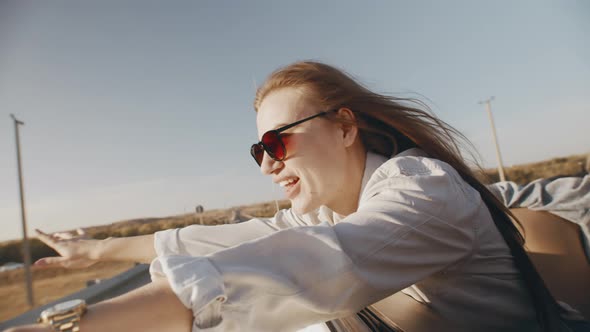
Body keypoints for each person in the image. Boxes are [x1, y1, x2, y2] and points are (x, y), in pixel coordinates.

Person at [6, 61, 587, 332]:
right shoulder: (335, 209)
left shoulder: (422, 193)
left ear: (344, 126)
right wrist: (96, 253)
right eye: (257, 151)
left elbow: (317, 264)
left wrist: (72, 325)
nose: (268, 164)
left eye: (276, 141)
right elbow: (231, 239)